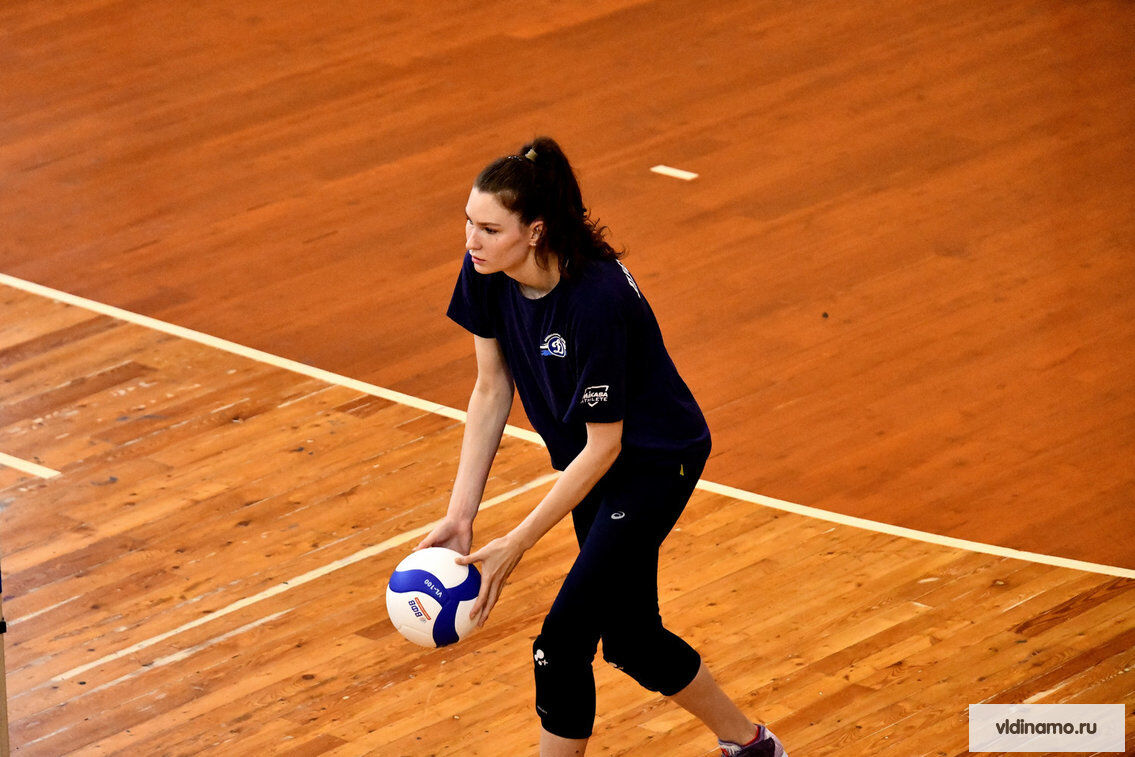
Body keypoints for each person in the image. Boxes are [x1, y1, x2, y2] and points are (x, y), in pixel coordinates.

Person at [418, 136, 787, 757]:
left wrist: (517, 543)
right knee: (632, 640)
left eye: (489, 228)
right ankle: (752, 747)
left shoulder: (595, 300)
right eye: (468, 223)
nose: (471, 241)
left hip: (652, 462)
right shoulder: (486, 269)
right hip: (592, 462)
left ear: (534, 231)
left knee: (560, 645)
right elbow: (491, 388)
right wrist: (461, 515)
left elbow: (605, 447)